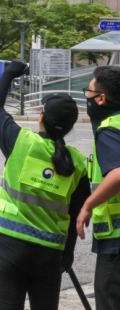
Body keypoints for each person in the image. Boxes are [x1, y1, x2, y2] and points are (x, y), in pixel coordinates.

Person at [0, 61, 91, 310]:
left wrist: (10, 73)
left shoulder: (22, 142)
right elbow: (78, 216)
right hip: (50, 252)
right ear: (70, 126)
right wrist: (67, 254)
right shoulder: (77, 163)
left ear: (41, 117)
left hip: (10, 247)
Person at [76, 66, 120, 310]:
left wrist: (87, 205)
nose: (87, 98)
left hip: (117, 240)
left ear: (101, 99)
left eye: (89, 92)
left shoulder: (110, 129)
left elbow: (117, 174)